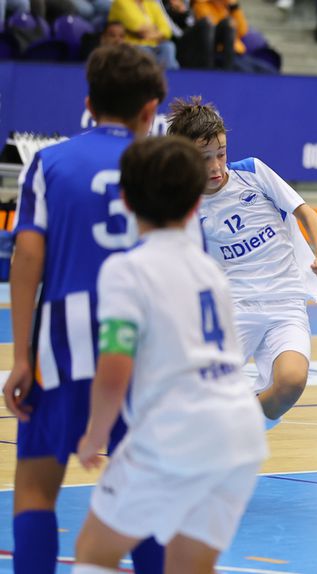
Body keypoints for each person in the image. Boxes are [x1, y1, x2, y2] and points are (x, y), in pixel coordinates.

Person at [4, 45, 167, 574]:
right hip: (144, 351)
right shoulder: (167, 169)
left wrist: (22, 354)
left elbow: (27, 254)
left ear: (89, 102)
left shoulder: (49, 162)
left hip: (62, 347)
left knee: (33, 489)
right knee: (145, 491)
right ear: (151, 109)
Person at [72, 136, 268, 574]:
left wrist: (95, 433)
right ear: (195, 205)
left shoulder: (127, 270)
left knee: (92, 553)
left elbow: (114, 368)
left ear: (125, 200)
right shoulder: (211, 273)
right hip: (239, 434)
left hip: (176, 433)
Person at [165, 97, 317, 429]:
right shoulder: (184, 205)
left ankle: (246, 426)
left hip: (285, 304)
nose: (216, 167)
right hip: (233, 309)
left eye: (221, 154)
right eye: (204, 159)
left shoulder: (254, 173)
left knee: (291, 382)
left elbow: (307, 214)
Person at [109, 0, 179, 69]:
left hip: (155, 45)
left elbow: (167, 30)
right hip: (132, 46)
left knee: (168, 46)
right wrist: (155, 28)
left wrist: (148, 33)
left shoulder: (151, 3)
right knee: (147, 53)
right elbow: (138, 28)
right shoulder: (121, 2)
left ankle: (171, 76)